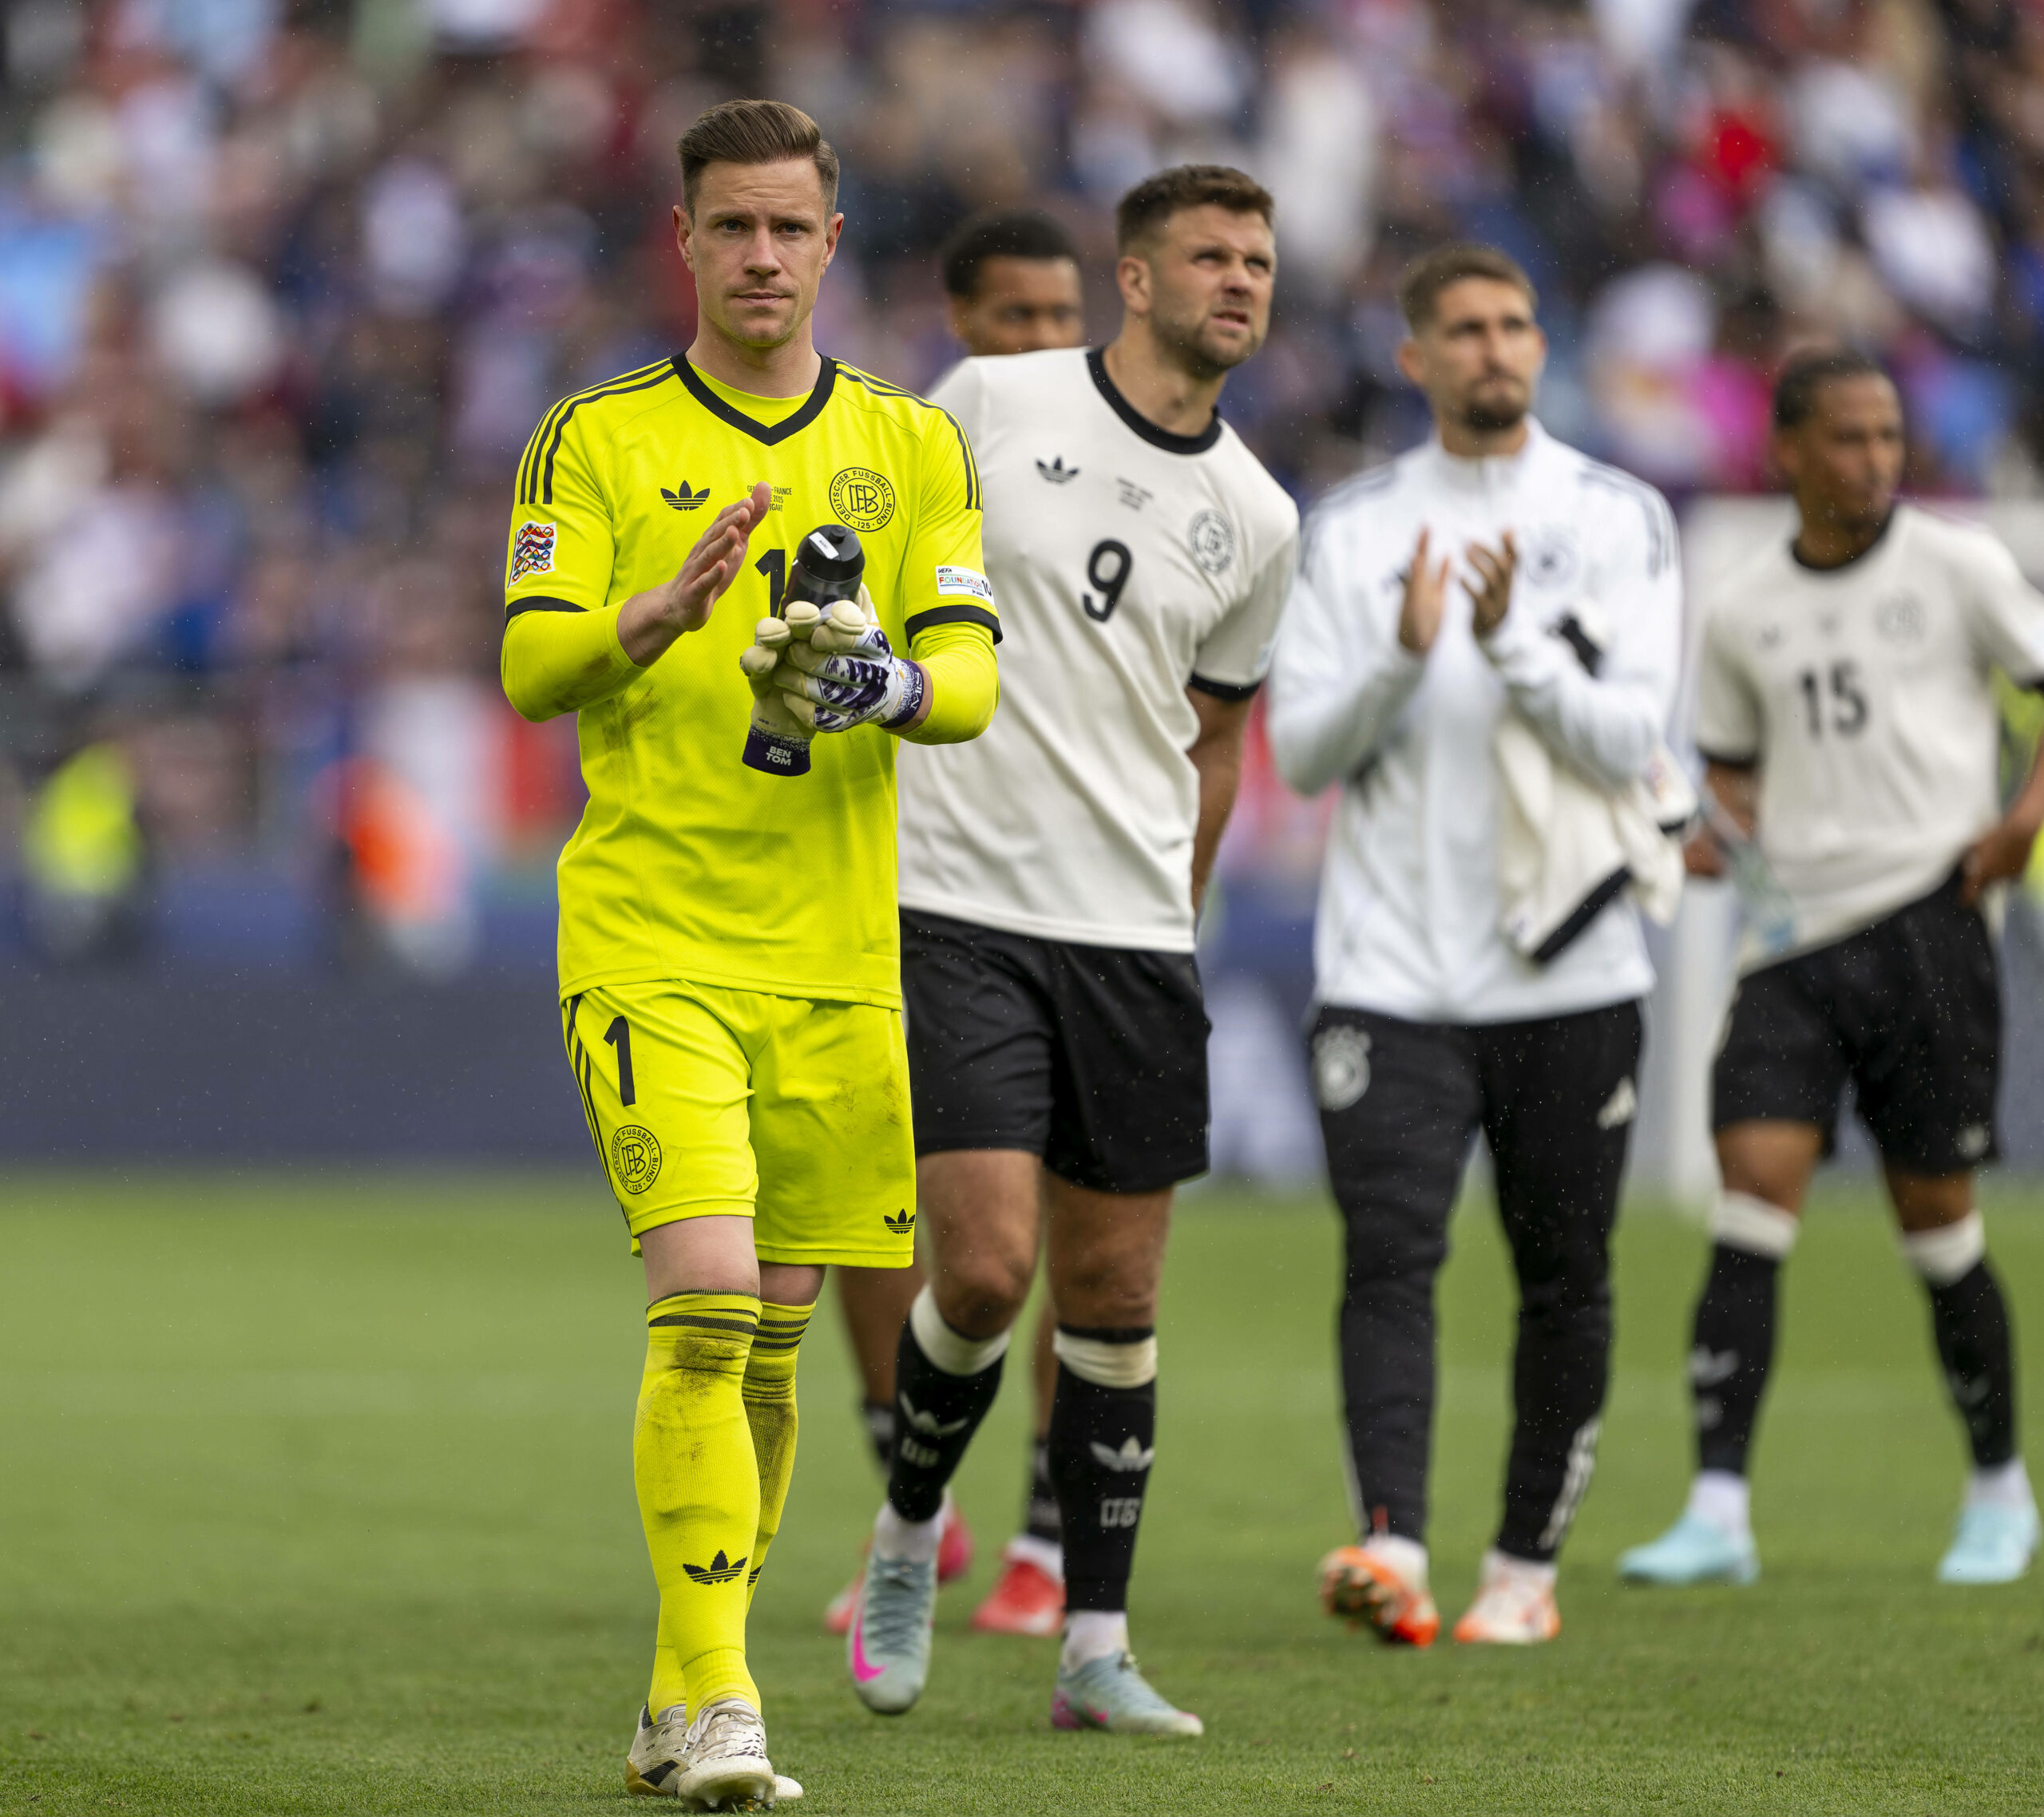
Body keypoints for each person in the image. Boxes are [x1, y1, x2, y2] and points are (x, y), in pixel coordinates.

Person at [498, 98, 998, 1807]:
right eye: (734, 228)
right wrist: (644, 619)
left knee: (774, 1337)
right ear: (685, 237)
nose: (764, 256)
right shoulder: (595, 439)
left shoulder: (910, 449)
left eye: (793, 228)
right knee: (706, 1300)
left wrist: (874, 684)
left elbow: (971, 686)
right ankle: (723, 1700)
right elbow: (531, 667)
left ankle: (669, 1695)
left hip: (834, 959)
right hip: (651, 934)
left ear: (831, 242)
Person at [842, 164, 1298, 1736]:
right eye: (1207, 257)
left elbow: (1218, 734)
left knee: (1113, 1299)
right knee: (980, 1265)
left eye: (1256, 259)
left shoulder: (1258, 513)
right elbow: (882, 583)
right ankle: (906, 1535)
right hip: (957, 898)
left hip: (1130, 935)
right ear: (1134, 277)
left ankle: (1092, 1645)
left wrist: (1178, 893)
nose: (1238, 281)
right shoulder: (988, 397)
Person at [1266, 243, 1682, 1648]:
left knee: (1564, 1273)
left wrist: (1510, 646)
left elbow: (1634, 741)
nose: (1496, 348)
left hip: (1572, 968)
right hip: (1388, 973)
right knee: (1390, 1256)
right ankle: (1393, 1546)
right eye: (1465, 329)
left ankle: (1525, 1567)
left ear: (1540, 345)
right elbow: (1307, 752)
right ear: (1415, 356)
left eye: (1515, 324)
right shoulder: (1356, 526)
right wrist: (1400, 651)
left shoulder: (1618, 516)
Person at [1620, 350, 2044, 1590]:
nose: (1875, 460)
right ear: (1789, 451)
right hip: (1792, 945)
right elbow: (1738, 777)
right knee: (1751, 1196)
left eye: (1887, 436)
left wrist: (2026, 818)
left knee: (1937, 1227)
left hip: (1929, 922)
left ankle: (1998, 1489)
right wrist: (1708, 839)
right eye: (1849, 438)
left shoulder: (1959, 567)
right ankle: (1717, 1512)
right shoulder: (1745, 609)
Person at [824, 207, 1088, 1644]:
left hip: (1071, 890)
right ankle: (911, 1495)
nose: (1044, 345)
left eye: (1064, 319)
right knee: (877, 1215)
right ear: (959, 329)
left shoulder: (1119, 473)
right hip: (907, 882)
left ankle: (1050, 1536)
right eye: (1014, 321)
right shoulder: (897, 465)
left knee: (1046, 1221)